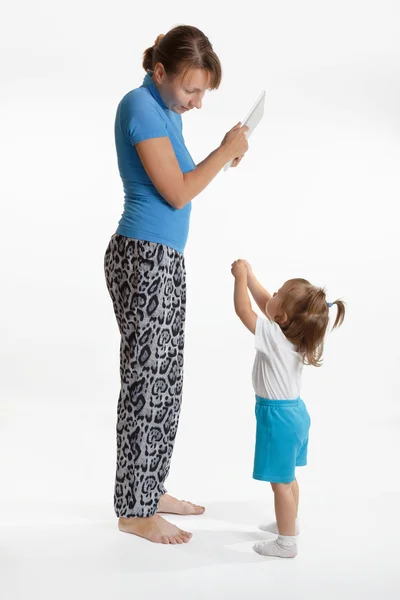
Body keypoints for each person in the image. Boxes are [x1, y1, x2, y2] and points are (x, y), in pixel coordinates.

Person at [104, 24, 249, 545]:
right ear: (160, 72)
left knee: (166, 383)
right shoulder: (140, 106)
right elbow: (178, 190)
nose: (196, 101)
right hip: (143, 257)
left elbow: (188, 175)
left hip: (163, 259)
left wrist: (228, 153)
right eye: (191, 89)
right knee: (147, 384)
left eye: (202, 92)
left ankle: (150, 488)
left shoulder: (166, 113)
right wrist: (223, 150)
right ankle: (134, 510)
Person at [231, 259, 345, 558]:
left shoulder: (271, 335)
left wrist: (241, 278)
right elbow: (267, 302)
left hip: (277, 417)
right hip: (295, 413)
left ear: (280, 317)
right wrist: (252, 277)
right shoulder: (293, 336)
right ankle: (290, 523)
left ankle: (286, 543)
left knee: (279, 483)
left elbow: (245, 310)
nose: (271, 294)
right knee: (289, 476)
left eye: (278, 293)